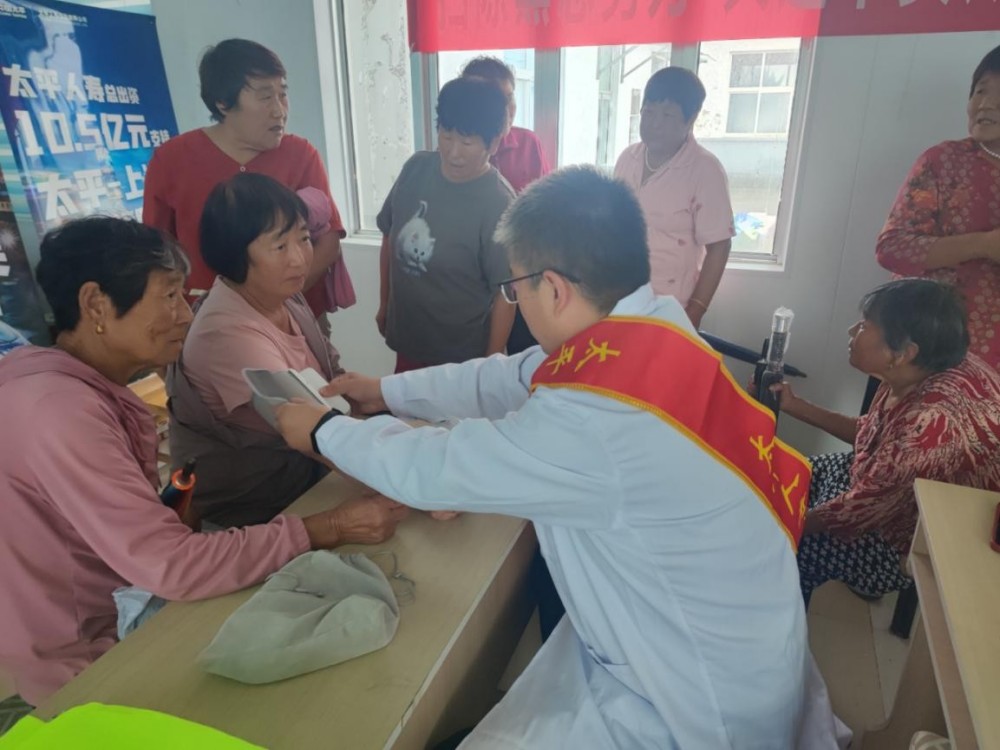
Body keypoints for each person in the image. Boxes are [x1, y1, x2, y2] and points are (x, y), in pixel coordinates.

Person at [276, 167, 844, 749]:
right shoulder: (655, 329)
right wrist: (385, 391)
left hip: (693, 702)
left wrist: (325, 431)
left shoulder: (595, 418)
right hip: (726, 637)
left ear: (553, 289)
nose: (515, 302)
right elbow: (507, 377)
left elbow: (440, 468)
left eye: (514, 289)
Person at [0, 217, 406, 706]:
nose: (185, 315)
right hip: (90, 656)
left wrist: (164, 506)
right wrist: (330, 526)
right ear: (95, 304)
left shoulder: (65, 386)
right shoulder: (61, 411)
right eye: (169, 296)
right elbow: (171, 565)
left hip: (120, 600)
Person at [767, 279, 1000, 603]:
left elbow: (856, 511)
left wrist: (780, 528)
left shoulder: (930, 425)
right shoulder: (928, 363)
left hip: (909, 535)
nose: (852, 331)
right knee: (793, 471)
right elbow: (873, 435)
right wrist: (793, 405)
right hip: (884, 489)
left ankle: (782, 617)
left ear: (903, 353)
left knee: (791, 550)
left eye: (864, 326)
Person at [167, 174, 352, 527]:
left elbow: (333, 380)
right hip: (258, 513)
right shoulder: (225, 332)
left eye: (303, 239)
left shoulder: (282, 296)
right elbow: (312, 430)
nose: (299, 259)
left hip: (308, 482)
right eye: (280, 246)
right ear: (234, 253)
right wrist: (402, 476)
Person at [142, 38, 345, 308]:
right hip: (207, 316)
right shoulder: (172, 160)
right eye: (265, 97)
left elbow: (329, 241)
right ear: (223, 103)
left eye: (283, 94)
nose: (279, 111)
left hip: (294, 314)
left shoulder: (301, 154)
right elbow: (156, 252)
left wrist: (271, 302)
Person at [375, 77, 516, 373]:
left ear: (493, 143)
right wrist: (384, 302)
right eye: (446, 135)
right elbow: (390, 234)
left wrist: (488, 366)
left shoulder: (499, 202)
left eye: (467, 142)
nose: (453, 152)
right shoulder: (415, 169)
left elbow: (506, 294)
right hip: (409, 339)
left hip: (460, 359)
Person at [877, 45, 1000, 370]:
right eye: (980, 91)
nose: (985, 104)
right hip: (926, 351)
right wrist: (984, 244)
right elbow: (892, 248)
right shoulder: (943, 162)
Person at [613, 67, 734, 329]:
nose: (655, 123)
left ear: (691, 119)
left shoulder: (705, 170)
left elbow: (719, 246)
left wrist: (695, 312)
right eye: (648, 112)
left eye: (667, 115)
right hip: (620, 299)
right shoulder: (627, 159)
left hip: (671, 308)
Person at [461, 55, 551, 355]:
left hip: (519, 281)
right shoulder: (456, 151)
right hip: (472, 286)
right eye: (498, 100)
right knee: (471, 365)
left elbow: (543, 214)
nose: (509, 109)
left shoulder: (528, 144)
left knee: (522, 363)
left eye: (511, 98)